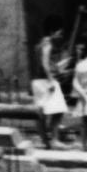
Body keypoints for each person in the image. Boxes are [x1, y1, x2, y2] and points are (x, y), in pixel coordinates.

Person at [31, 16, 72, 148]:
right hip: (45, 81)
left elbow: (48, 64)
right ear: (52, 31)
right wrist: (51, 80)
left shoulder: (39, 45)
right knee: (58, 110)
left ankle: (45, 141)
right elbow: (44, 63)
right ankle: (54, 139)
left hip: (37, 81)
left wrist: (64, 63)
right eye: (59, 32)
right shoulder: (48, 43)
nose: (60, 36)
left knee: (41, 112)